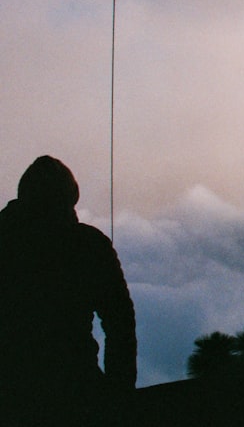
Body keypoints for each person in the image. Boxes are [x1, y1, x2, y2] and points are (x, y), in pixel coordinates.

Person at [0, 156, 137, 423]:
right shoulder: (88, 246)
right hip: (76, 392)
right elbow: (120, 324)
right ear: (70, 198)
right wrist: (120, 397)